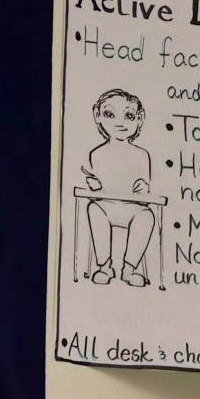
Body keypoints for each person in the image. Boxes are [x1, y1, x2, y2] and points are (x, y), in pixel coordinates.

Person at [82, 89, 154, 287]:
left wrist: (142, 188)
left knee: (147, 216)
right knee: (93, 209)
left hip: (133, 208)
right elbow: (99, 190)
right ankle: (105, 266)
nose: (119, 122)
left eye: (128, 116)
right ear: (97, 115)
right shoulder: (96, 154)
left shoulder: (142, 155)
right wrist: (95, 186)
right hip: (106, 206)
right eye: (110, 114)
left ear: (139, 119)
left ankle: (129, 269)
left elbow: (144, 190)